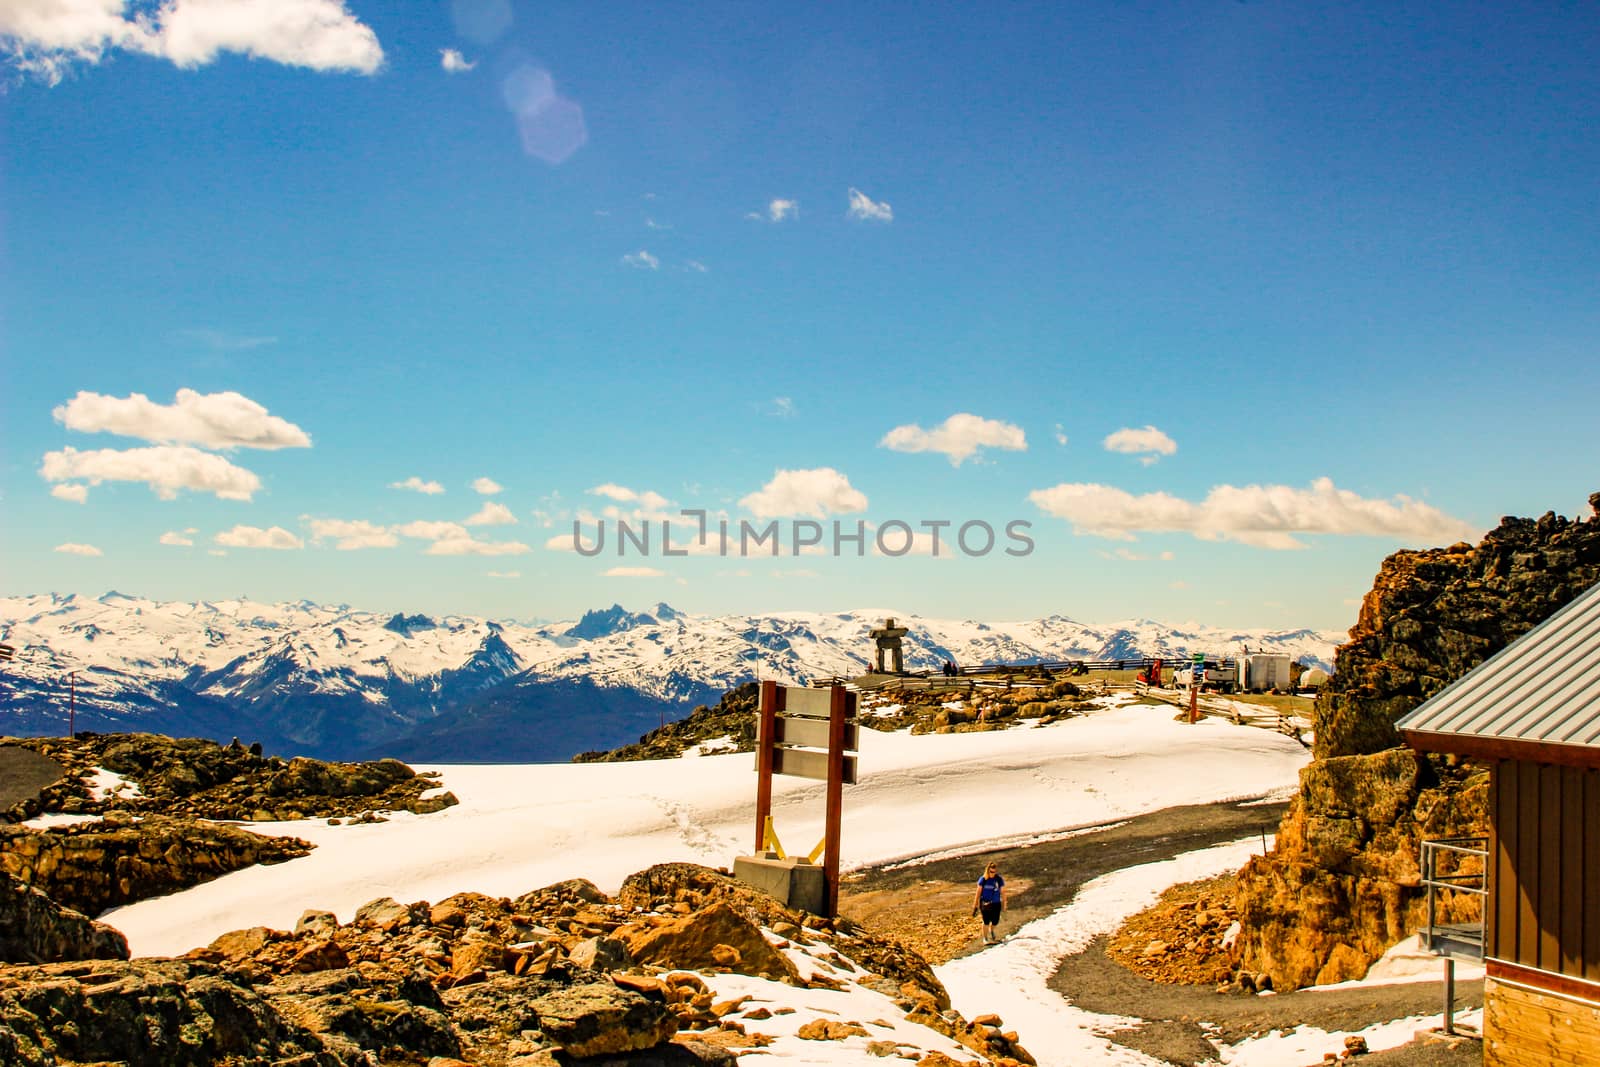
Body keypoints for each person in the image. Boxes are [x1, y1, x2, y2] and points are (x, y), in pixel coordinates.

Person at [972, 861, 1006, 943]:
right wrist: (975, 904)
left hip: (996, 903)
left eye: (994, 872)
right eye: (991, 872)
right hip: (985, 903)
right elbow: (978, 892)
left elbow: (1003, 892)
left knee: (995, 921)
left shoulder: (998, 879)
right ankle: (985, 938)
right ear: (988, 870)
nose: (992, 874)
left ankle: (992, 930)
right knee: (986, 921)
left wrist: (1004, 903)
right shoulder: (983, 879)